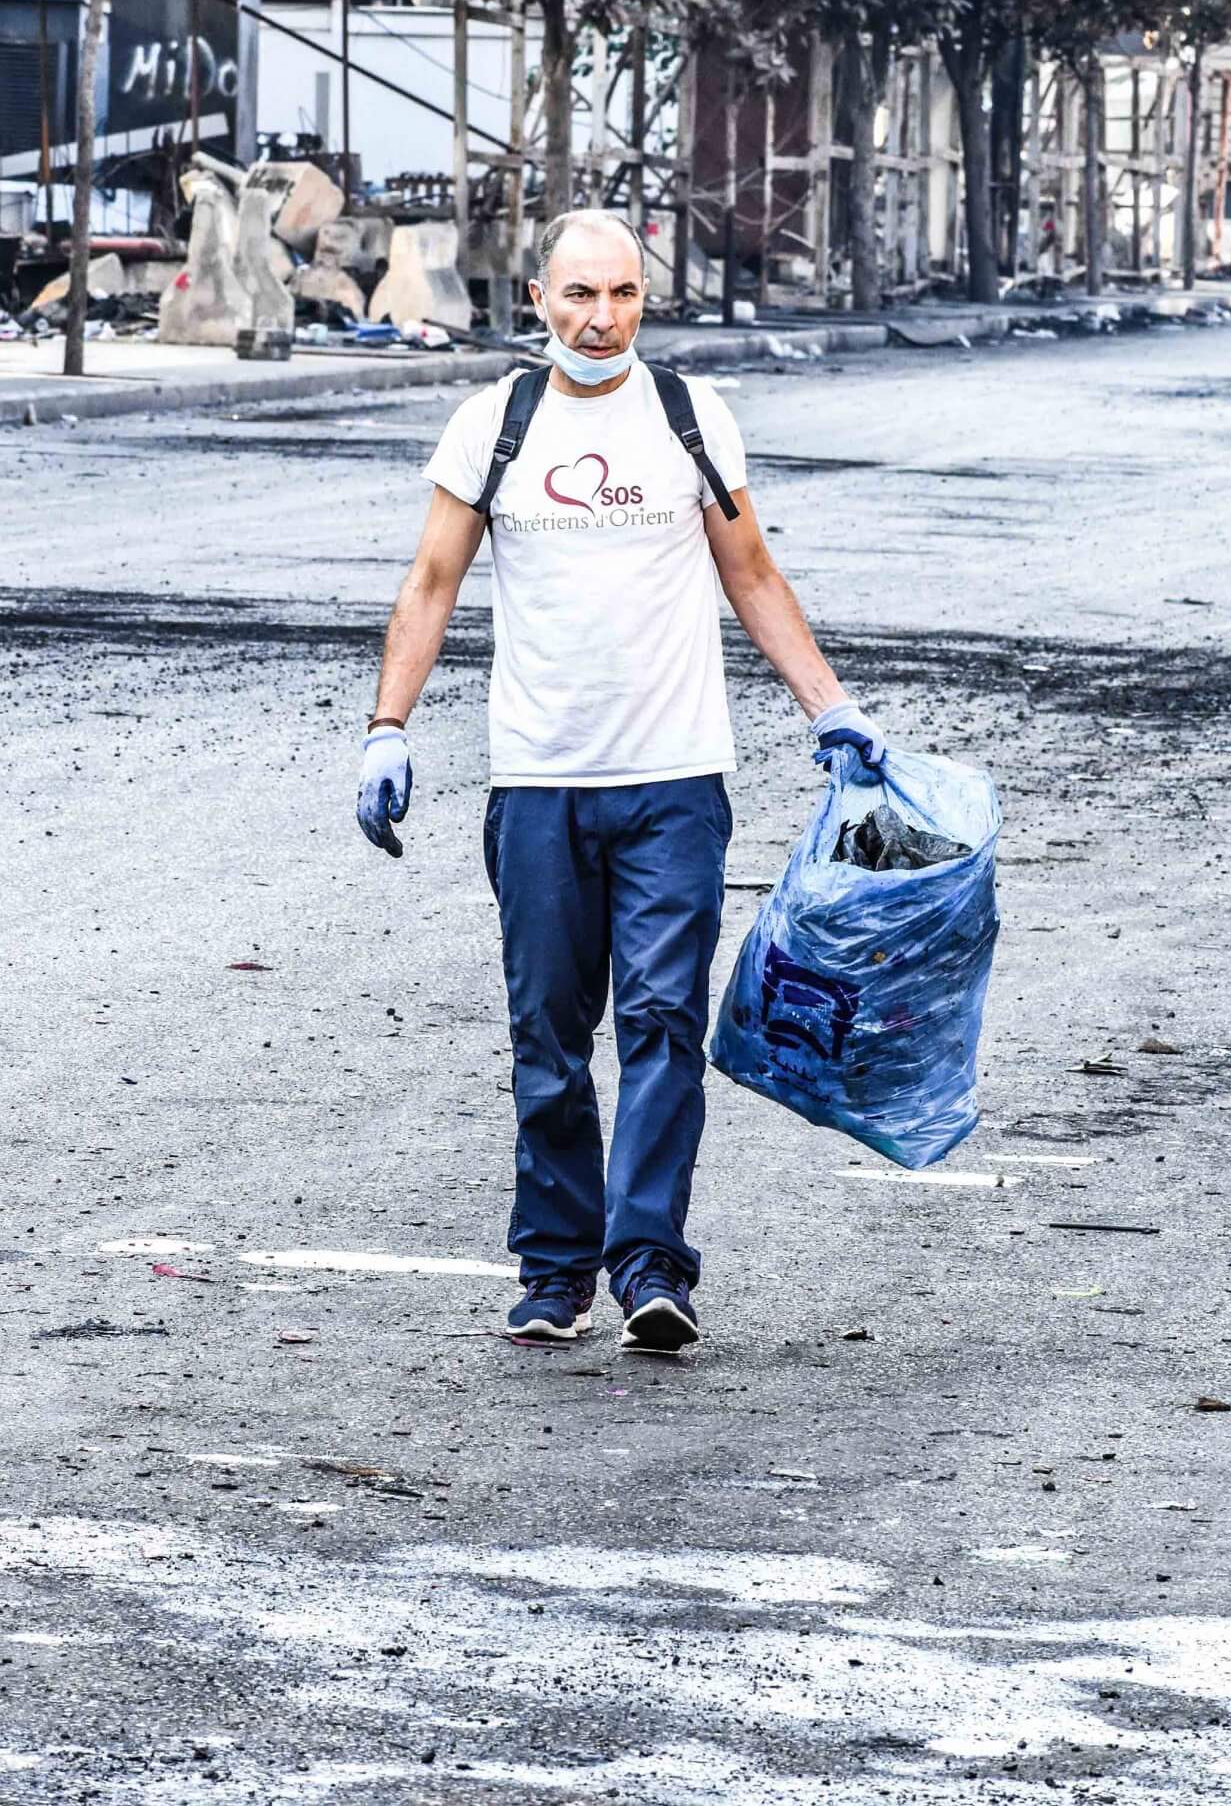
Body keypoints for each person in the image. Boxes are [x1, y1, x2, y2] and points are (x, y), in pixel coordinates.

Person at [356, 207, 885, 1352]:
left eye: (624, 296)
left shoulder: (689, 420)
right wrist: (386, 726)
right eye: (580, 296)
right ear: (538, 299)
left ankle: (650, 1264)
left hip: (674, 781)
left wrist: (827, 706)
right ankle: (553, 1272)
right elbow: (431, 582)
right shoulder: (490, 425)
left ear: (645, 301)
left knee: (658, 1022)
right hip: (538, 783)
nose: (602, 319)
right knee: (547, 1035)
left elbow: (749, 572)